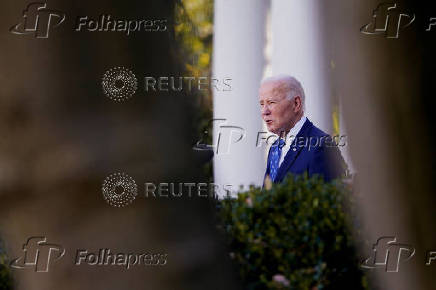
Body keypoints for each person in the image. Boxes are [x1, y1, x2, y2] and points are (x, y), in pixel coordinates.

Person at [259, 75, 345, 185]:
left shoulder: (321, 146)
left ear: (296, 104)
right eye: (262, 104)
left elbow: (329, 199)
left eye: (271, 102)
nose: (264, 111)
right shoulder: (275, 149)